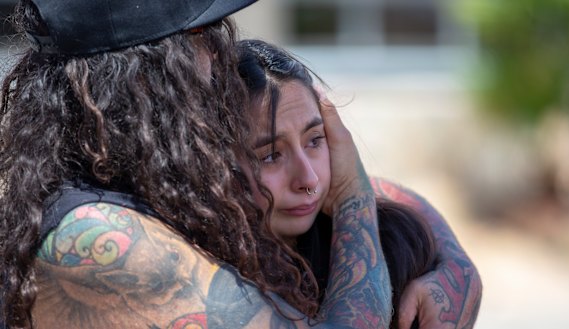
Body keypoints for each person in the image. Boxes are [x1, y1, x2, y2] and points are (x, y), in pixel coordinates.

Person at [0, 0, 392, 328]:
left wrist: (441, 256)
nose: (220, 54)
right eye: (203, 35)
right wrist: (351, 198)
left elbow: (395, 195)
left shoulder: (148, 182)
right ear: (142, 73)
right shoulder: (93, 235)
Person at [236, 39, 483, 329]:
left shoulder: (396, 246)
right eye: (271, 156)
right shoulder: (199, 279)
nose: (308, 179)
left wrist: (456, 265)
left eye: (315, 140)